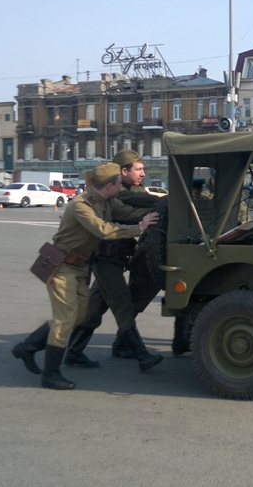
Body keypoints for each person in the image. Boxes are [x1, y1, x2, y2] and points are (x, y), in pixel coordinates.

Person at [11, 162, 159, 390]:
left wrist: (158, 212)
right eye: (119, 182)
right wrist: (140, 227)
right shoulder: (81, 206)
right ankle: (50, 374)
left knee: (80, 316)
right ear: (110, 185)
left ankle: (28, 347)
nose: (123, 185)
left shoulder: (107, 201)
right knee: (66, 319)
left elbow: (128, 212)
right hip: (61, 265)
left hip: (79, 267)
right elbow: (103, 229)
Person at [65, 150, 167, 369]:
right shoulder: (114, 191)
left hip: (117, 259)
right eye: (138, 169)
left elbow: (136, 209)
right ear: (122, 171)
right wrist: (163, 203)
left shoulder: (129, 190)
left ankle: (74, 351)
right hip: (105, 258)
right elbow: (134, 205)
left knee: (93, 310)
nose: (143, 173)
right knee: (122, 305)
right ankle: (141, 355)